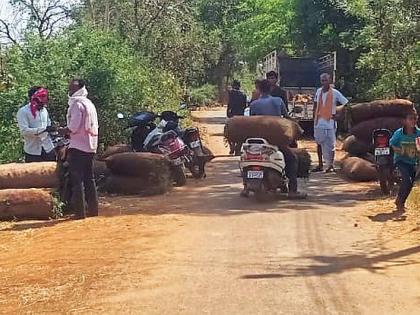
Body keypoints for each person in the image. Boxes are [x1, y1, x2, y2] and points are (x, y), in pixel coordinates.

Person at [249, 79, 305, 199]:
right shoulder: (278, 101)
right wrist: (294, 123)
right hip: (276, 141)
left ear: (259, 89)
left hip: (258, 141)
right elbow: (286, 117)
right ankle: (293, 190)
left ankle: (245, 187)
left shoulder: (253, 104)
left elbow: (251, 122)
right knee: (293, 159)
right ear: (270, 89)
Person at [59, 79, 99, 219]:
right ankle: (93, 210)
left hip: (78, 146)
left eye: (73, 87)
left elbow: (73, 128)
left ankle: (79, 213)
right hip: (90, 146)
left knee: (77, 179)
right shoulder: (89, 103)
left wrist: (61, 130)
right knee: (89, 178)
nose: (70, 89)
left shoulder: (76, 104)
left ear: (79, 88)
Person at [313, 73, 348, 173]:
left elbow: (346, 104)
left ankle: (330, 165)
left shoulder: (335, 93)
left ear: (330, 81)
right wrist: (314, 117)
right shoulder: (318, 91)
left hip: (330, 123)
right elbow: (315, 104)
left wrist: (338, 116)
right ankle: (320, 165)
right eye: (322, 80)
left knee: (331, 145)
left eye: (325, 80)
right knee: (319, 143)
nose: (324, 82)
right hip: (319, 122)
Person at [390, 111, 420, 212]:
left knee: (411, 183)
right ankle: (400, 203)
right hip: (401, 160)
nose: (413, 121)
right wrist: (402, 151)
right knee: (406, 179)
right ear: (405, 121)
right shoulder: (399, 133)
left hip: (413, 161)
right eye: (410, 119)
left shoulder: (418, 133)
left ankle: (400, 201)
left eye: (414, 119)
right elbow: (392, 144)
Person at [17, 86, 56, 163]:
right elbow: (24, 131)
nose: (46, 99)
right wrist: (43, 130)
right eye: (43, 96)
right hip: (33, 152)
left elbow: (48, 124)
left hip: (48, 149)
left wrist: (53, 129)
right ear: (35, 98)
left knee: (51, 173)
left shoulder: (44, 110)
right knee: (34, 174)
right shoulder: (23, 112)